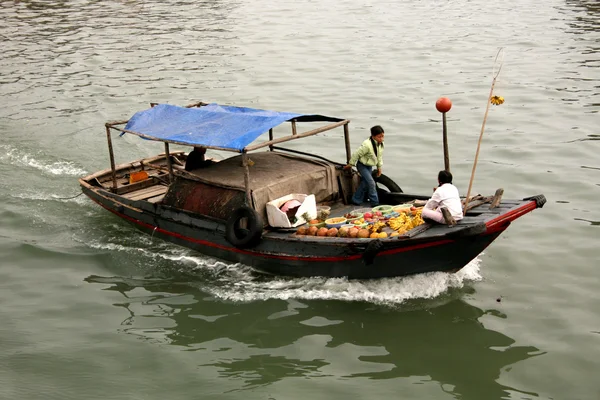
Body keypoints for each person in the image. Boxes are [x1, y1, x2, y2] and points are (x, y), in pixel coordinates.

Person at [343, 125, 385, 206]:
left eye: (382, 136)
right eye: (379, 137)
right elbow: (357, 154)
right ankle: (375, 203)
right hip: (362, 165)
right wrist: (351, 164)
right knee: (371, 183)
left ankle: (356, 199)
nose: (381, 139)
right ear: (373, 136)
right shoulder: (367, 145)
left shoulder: (380, 144)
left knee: (365, 183)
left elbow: (379, 156)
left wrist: (379, 167)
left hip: (369, 166)